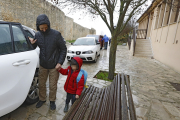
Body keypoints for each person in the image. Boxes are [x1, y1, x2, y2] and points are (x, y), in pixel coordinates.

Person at [29, 14, 67, 110]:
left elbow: (63, 49)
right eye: (42, 28)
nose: (44, 30)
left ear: (48, 25)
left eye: (46, 27)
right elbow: (35, 47)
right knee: (41, 84)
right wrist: (32, 44)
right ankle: (42, 99)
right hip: (43, 65)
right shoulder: (37, 34)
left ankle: (52, 101)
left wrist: (60, 62)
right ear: (38, 27)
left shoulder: (56, 34)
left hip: (54, 65)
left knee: (52, 86)